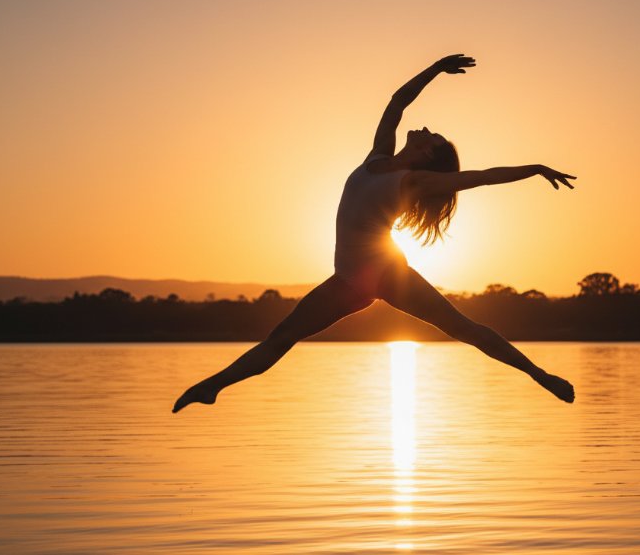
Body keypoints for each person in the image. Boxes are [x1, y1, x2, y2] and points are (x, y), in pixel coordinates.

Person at [173, 54, 576, 413]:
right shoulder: (377, 157)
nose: (426, 129)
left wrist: (536, 168)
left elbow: (484, 178)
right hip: (348, 279)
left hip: (385, 271)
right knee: (282, 337)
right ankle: (213, 387)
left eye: (432, 137)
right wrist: (435, 70)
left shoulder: (413, 182)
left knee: (461, 328)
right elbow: (396, 103)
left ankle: (542, 376)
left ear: (429, 156)